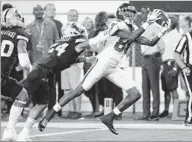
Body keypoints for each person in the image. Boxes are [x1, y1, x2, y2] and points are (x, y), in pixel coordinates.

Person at [38, 3, 170, 135]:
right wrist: (147, 22)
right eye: (127, 12)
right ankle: (49, 115)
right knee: (78, 90)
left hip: (114, 66)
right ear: (120, 14)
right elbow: (130, 37)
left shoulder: (134, 27)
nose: (131, 14)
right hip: (103, 62)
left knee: (135, 94)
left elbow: (149, 42)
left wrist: (162, 32)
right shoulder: (117, 24)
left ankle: (109, 117)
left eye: (132, 12)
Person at [17, 22, 88, 141]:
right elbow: (90, 44)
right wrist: (107, 35)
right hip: (42, 71)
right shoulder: (77, 41)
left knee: (41, 104)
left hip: (44, 71)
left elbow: (66, 59)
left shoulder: (58, 43)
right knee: (15, 93)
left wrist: (85, 59)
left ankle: (23, 134)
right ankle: (12, 131)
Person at [1, 8, 32, 141]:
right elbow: (24, 62)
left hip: (3, 76)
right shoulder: (21, 33)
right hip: (1, 76)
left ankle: (10, 132)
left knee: (21, 93)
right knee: (23, 95)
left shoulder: (2, 33)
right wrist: (31, 72)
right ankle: (9, 131)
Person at [135, 8, 166, 121]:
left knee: (154, 87)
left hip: (153, 57)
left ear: (149, 14)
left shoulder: (156, 27)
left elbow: (162, 46)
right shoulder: (144, 26)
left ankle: (155, 113)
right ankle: (145, 113)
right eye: (141, 12)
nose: (142, 14)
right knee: (145, 87)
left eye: (144, 12)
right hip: (144, 58)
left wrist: (156, 56)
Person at [159, 16, 191, 118]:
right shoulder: (166, 34)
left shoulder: (176, 35)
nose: (165, 24)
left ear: (172, 24)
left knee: (173, 89)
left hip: (172, 63)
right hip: (164, 63)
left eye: (168, 23)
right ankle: (166, 110)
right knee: (166, 89)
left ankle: (176, 111)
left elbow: (178, 53)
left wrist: (175, 68)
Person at [60, 9, 84, 119]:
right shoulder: (63, 29)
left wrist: (78, 57)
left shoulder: (81, 29)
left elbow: (84, 44)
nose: (72, 17)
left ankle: (78, 111)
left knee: (75, 87)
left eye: (74, 16)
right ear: (67, 16)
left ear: (77, 17)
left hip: (75, 62)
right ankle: (70, 110)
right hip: (64, 61)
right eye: (70, 15)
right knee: (67, 88)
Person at [44, 3, 64, 116]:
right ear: (45, 11)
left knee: (54, 85)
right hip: (41, 59)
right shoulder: (40, 23)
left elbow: (60, 41)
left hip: (55, 59)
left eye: (54, 9)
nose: (52, 11)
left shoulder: (58, 24)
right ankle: (40, 107)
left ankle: (54, 109)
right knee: (41, 85)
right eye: (50, 9)